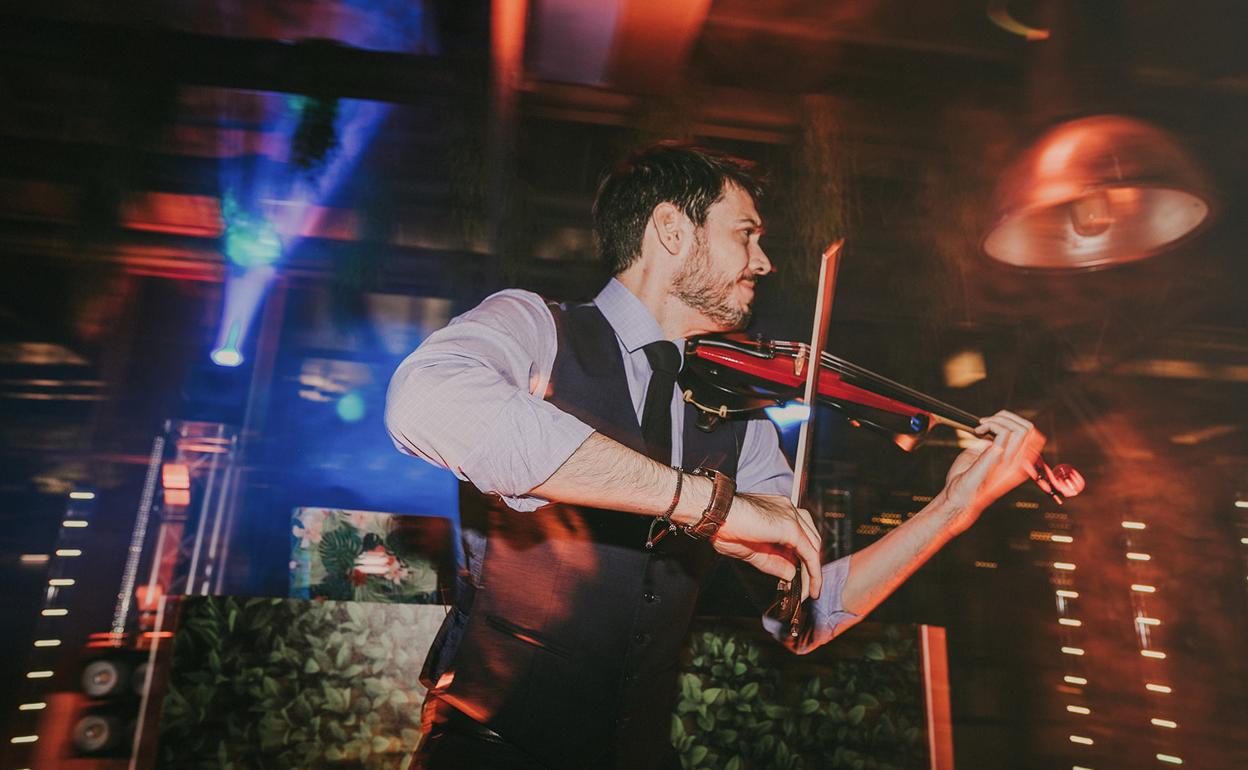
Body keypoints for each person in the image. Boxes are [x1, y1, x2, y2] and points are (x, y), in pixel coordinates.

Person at [385, 142, 1044, 770]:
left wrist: (954, 510)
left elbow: (805, 618)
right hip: (489, 751)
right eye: (745, 234)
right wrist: (704, 503)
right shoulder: (535, 327)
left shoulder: (736, 418)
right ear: (673, 231)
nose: (764, 261)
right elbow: (425, 402)